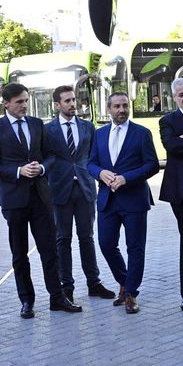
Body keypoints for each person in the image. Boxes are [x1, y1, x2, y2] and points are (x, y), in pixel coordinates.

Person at [0, 82, 82, 319]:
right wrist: (18, 171)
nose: (24, 105)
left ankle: (57, 298)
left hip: (41, 197)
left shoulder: (36, 125)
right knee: (19, 253)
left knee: (49, 250)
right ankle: (26, 301)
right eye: (19, 102)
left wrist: (42, 169)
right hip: (14, 199)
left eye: (26, 100)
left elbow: (50, 156)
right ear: (6, 103)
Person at [87, 92, 159, 314]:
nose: (121, 110)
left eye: (125, 106)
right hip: (107, 200)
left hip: (135, 199)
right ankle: (126, 282)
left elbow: (152, 165)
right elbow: (90, 163)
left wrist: (127, 178)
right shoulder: (99, 135)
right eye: (117, 106)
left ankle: (131, 294)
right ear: (108, 109)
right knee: (106, 244)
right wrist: (101, 173)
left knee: (135, 248)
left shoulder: (142, 133)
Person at [43, 85, 115, 303]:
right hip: (59, 189)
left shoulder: (87, 127)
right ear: (57, 105)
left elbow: (95, 156)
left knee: (87, 237)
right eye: (67, 101)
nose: (73, 104)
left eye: (74, 100)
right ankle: (67, 287)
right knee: (62, 239)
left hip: (85, 188)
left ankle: (93, 283)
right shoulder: (48, 130)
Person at [159, 78, 183, 312]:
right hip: (182, 191)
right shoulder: (168, 121)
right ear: (174, 97)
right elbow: (171, 147)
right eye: (181, 94)